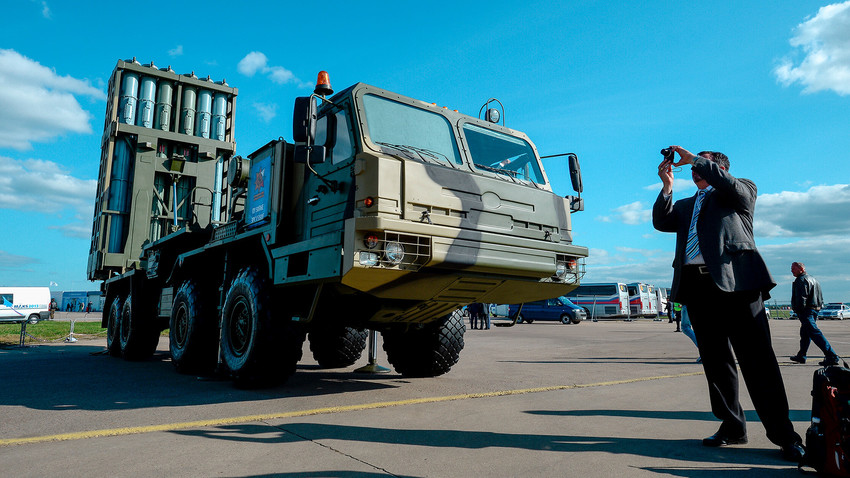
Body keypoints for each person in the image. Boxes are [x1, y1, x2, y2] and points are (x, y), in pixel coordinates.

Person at [653, 145, 804, 462]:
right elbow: (661, 222)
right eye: (694, 167)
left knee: (758, 362)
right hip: (697, 287)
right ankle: (733, 427)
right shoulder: (685, 204)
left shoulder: (740, 191)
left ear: (719, 168)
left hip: (739, 285)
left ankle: (784, 436)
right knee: (716, 363)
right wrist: (667, 186)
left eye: (702, 165)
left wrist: (694, 157)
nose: (694, 169)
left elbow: (729, 184)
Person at [789, 262, 839, 366]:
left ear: (801, 269)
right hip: (814, 308)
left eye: (793, 268)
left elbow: (802, 298)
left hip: (806, 311)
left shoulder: (801, 280)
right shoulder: (814, 280)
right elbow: (819, 296)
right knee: (805, 334)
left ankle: (831, 356)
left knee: (814, 333)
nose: (791, 271)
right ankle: (801, 355)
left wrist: (798, 310)